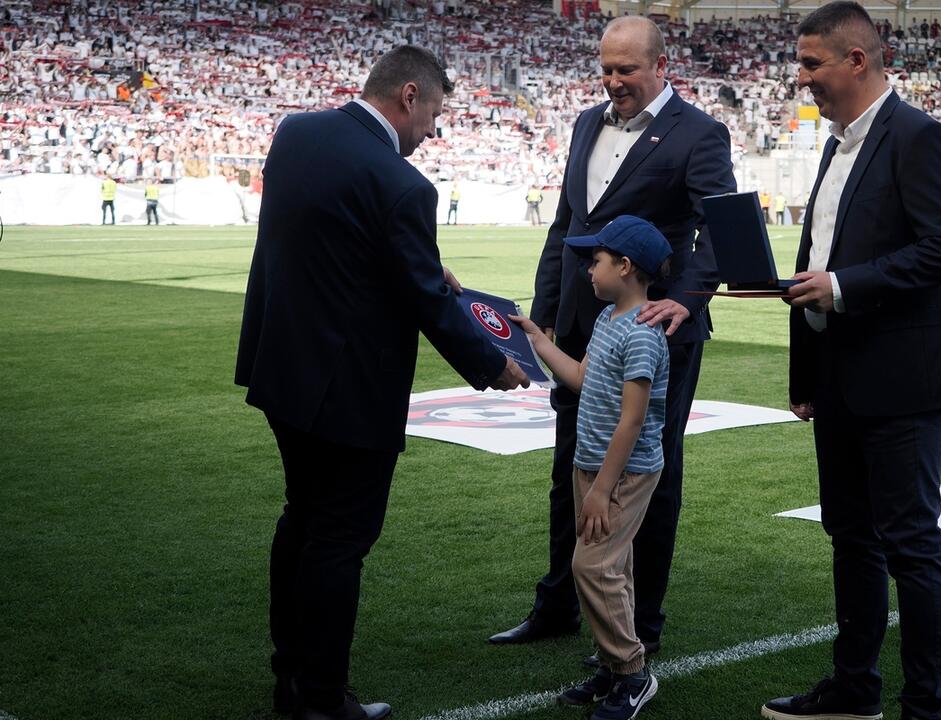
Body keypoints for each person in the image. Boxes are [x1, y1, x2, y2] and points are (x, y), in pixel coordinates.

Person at [235, 45, 529, 720]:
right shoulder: (403, 185)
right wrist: (492, 364)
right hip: (348, 389)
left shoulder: (297, 132)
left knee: (301, 519)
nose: (432, 133)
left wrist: (423, 268)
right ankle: (322, 699)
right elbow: (425, 300)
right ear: (408, 97)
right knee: (339, 539)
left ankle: (290, 678)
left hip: (281, 367)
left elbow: (337, 243)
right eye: (434, 115)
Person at [489, 15, 737, 663]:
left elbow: (721, 230)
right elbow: (566, 228)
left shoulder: (701, 134)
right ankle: (558, 604)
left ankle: (642, 624)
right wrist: (542, 321)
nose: (614, 80)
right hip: (578, 323)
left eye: (626, 68)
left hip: (658, 330)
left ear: (661, 66)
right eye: (606, 68)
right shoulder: (584, 124)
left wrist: (682, 301)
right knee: (571, 466)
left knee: (653, 473)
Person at [763, 4, 941, 720]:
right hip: (840, 377)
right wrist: (806, 376)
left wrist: (846, 287)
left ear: (857, 61)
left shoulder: (918, 137)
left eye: (811, 64)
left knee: (911, 546)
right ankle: (854, 688)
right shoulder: (835, 146)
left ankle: (928, 707)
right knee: (850, 538)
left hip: (904, 379)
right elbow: (816, 262)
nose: (802, 79)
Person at [512, 215, 672, 720]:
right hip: (593, 466)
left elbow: (631, 421)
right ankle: (612, 666)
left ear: (625, 267)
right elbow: (582, 377)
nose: (588, 271)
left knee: (592, 566)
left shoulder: (643, 335)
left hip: (623, 474)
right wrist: (539, 340)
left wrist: (603, 489)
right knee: (611, 569)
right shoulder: (607, 321)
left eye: (596, 262)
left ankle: (632, 672)